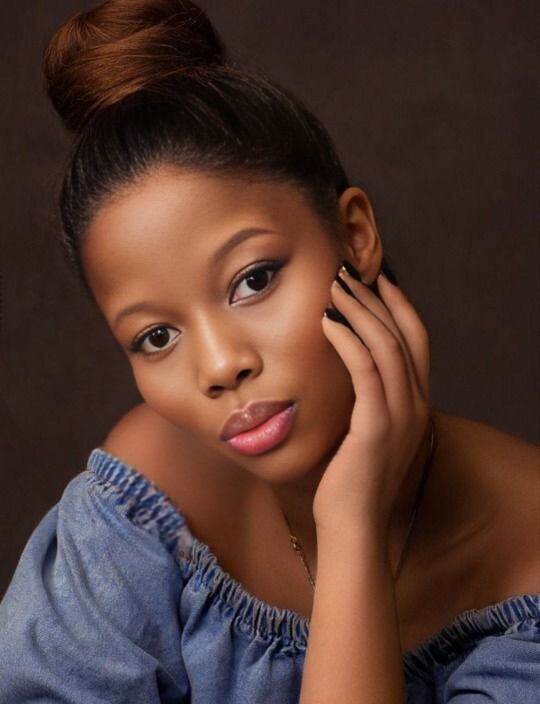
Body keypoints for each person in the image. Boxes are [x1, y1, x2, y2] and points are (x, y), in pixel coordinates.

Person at [0, 1, 538, 702]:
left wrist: (349, 524)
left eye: (253, 280)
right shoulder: (148, 506)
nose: (221, 366)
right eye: (156, 336)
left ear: (355, 236)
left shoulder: (526, 549)